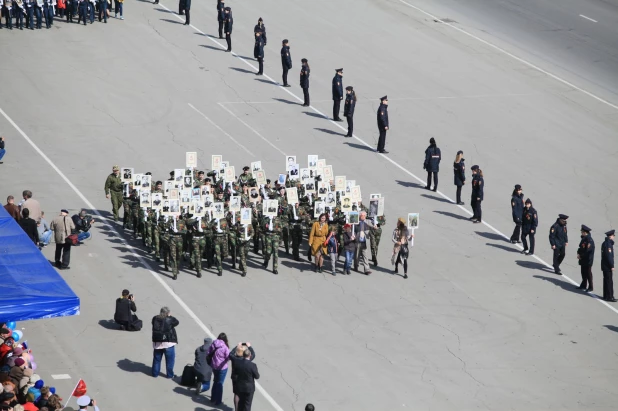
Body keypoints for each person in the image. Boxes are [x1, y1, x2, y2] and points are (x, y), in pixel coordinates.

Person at [229, 343, 259, 411]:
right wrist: (250, 347)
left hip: (236, 379)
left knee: (236, 394)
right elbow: (253, 355)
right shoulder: (249, 362)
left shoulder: (235, 359)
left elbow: (230, 354)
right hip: (247, 384)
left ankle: (237, 408)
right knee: (247, 403)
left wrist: (237, 346)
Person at [151, 306, 179, 379]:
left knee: (157, 360)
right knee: (170, 361)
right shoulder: (169, 320)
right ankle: (170, 375)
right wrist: (170, 316)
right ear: (167, 313)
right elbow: (176, 322)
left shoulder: (155, 318)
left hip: (157, 343)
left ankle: (155, 373)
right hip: (168, 343)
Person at [207, 333, 230, 406]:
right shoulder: (225, 347)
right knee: (220, 383)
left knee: (215, 381)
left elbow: (208, 352)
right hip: (222, 368)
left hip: (214, 366)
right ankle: (218, 401)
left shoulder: (214, 343)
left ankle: (213, 398)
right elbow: (228, 357)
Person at [577, 225, 595, 292]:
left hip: (588, 259)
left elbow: (587, 251)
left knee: (588, 273)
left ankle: (590, 287)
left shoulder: (589, 240)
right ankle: (583, 285)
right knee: (583, 272)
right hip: (583, 259)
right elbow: (580, 248)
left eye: (582, 232)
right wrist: (578, 253)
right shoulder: (584, 239)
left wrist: (581, 256)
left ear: (585, 232)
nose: (581, 233)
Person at [601, 229, 615, 302]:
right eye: (613, 236)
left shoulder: (605, 243)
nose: (614, 237)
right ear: (610, 236)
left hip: (604, 265)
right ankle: (609, 296)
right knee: (609, 281)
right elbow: (609, 256)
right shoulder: (608, 245)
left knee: (606, 280)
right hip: (607, 266)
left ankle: (606, 295)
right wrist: (612, 266)